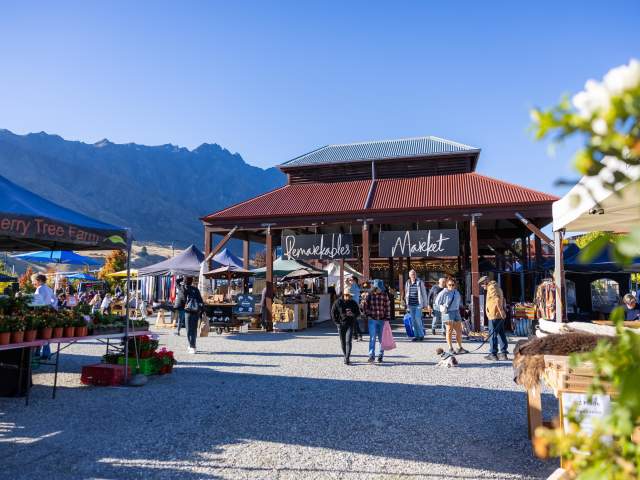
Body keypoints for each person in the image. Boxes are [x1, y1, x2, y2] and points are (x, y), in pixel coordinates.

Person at [434, 278, 468, 355]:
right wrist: (442, 307)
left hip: (456, 312)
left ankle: (459, 347)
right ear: (446, 285)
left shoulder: (456, 292)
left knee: (459, 331)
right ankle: (450, 348)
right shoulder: (443, 292)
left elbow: (459, 303)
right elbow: (436, 302)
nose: (451, 286)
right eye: (449, 285)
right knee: (449, 331)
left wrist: (463, 308)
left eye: (453, 285)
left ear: (455, 285)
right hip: (448, 313)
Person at [480, 276, 509, 361]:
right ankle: (503, 354)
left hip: (494, 314)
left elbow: (497, 300)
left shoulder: (491, 287)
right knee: (501, 334)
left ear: (486, 282)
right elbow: (502, 299)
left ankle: (493, 354)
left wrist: (501, 311)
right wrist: (502, 311)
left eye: (482, 284)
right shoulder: (496, 286)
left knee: (493, 335)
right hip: (498, 314)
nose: (482, 286)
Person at [331, 286, 361, 365]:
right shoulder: (338, 302)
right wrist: (337, 323)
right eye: (347, 295)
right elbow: (333, 313)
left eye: (350, 296)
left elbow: (358, 313)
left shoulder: (353, 302)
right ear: (344, 295)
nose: (349, 297)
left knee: (348, 341)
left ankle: (347, 358)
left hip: (350, 324)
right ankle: (345, 355)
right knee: (343, 342)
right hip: (341, 324)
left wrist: (353, 314)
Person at [363, 279, 391, 363]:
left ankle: (380, 355)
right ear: (375, 287)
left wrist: (387, 318)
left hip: (382, 319)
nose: (381, 290)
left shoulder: (384, 295)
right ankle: (371, 355)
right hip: (372, 319)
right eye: (379, 288)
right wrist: (368, 314)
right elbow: (364, 306)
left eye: (381, 288)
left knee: (381, 339)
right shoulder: (369, 295)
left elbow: (387, 306)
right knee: (372, 338)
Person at [404, 269, 428, 341]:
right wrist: (406, 303)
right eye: (411, 274)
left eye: (414, 274)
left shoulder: (420, 282)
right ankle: (416, 335)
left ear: (416, 275)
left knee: (418, 319)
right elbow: (406, 293)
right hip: (410, 304)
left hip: (418, 304)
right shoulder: (407, 282)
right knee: (413, 320)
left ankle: (421, 335)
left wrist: (425, 304)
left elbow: (424, 293)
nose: (413, 275)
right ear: (409, 275)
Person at [184, 276, 204, 354]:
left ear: (185, 281)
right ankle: (192, 345)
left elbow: (181, 300)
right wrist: (202, 311)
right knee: (193, 330)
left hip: (187, 311)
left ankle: (192, 346)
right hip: (196, 311)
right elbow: (200, 300)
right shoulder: (195, 289)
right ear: (192, 281)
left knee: (189, 330)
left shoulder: (183, 289)